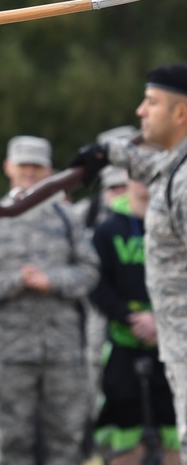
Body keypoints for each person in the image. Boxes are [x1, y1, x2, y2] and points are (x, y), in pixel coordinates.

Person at [70, 63, 187, 464]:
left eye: (151, 102)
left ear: (181, 113)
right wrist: (107, 153)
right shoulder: (174, 168)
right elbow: (152, 168)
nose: (140, 111)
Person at [0, 135, 99, 464]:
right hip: (11, 351)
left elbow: (89, 271)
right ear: (8, 168)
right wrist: (18, 281)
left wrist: (51, 281)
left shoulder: (67, 218)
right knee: (13, 442)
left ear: (49, 171)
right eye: (23, 165)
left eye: (37, 166)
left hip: (63, 350)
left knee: (67, 441)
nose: (29, 172)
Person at [89, 177, 180, 463]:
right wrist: (130, 317)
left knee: (173, 416)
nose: (144, 182)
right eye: (137, 175)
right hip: (123, 340)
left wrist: (159, 319)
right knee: (123, 416)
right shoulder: (106, 231)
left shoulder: (176, 226)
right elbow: (96, 283)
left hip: (173, 343)